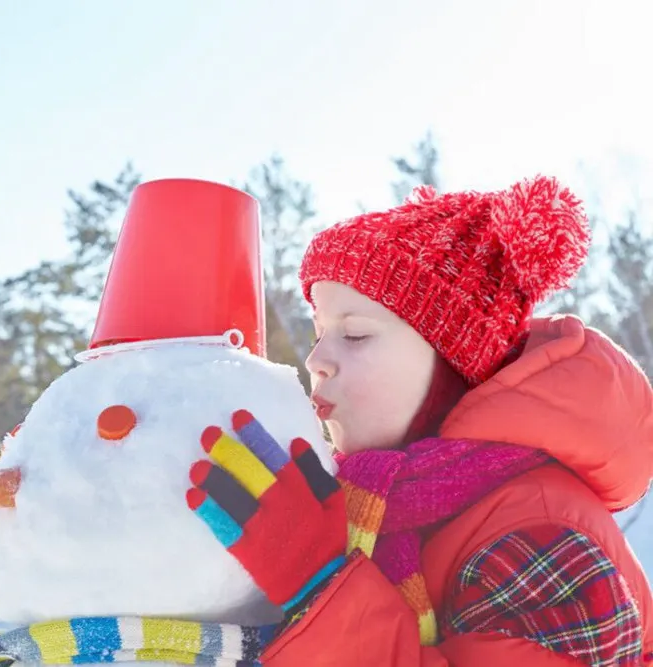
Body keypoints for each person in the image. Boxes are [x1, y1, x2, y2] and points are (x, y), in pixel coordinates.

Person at [187, 175, 653, 665]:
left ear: (453, 364)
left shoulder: (540, 529)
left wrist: (318, 584)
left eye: (356, 335)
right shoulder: (382, 500)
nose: (316, 360)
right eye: (317, 335)